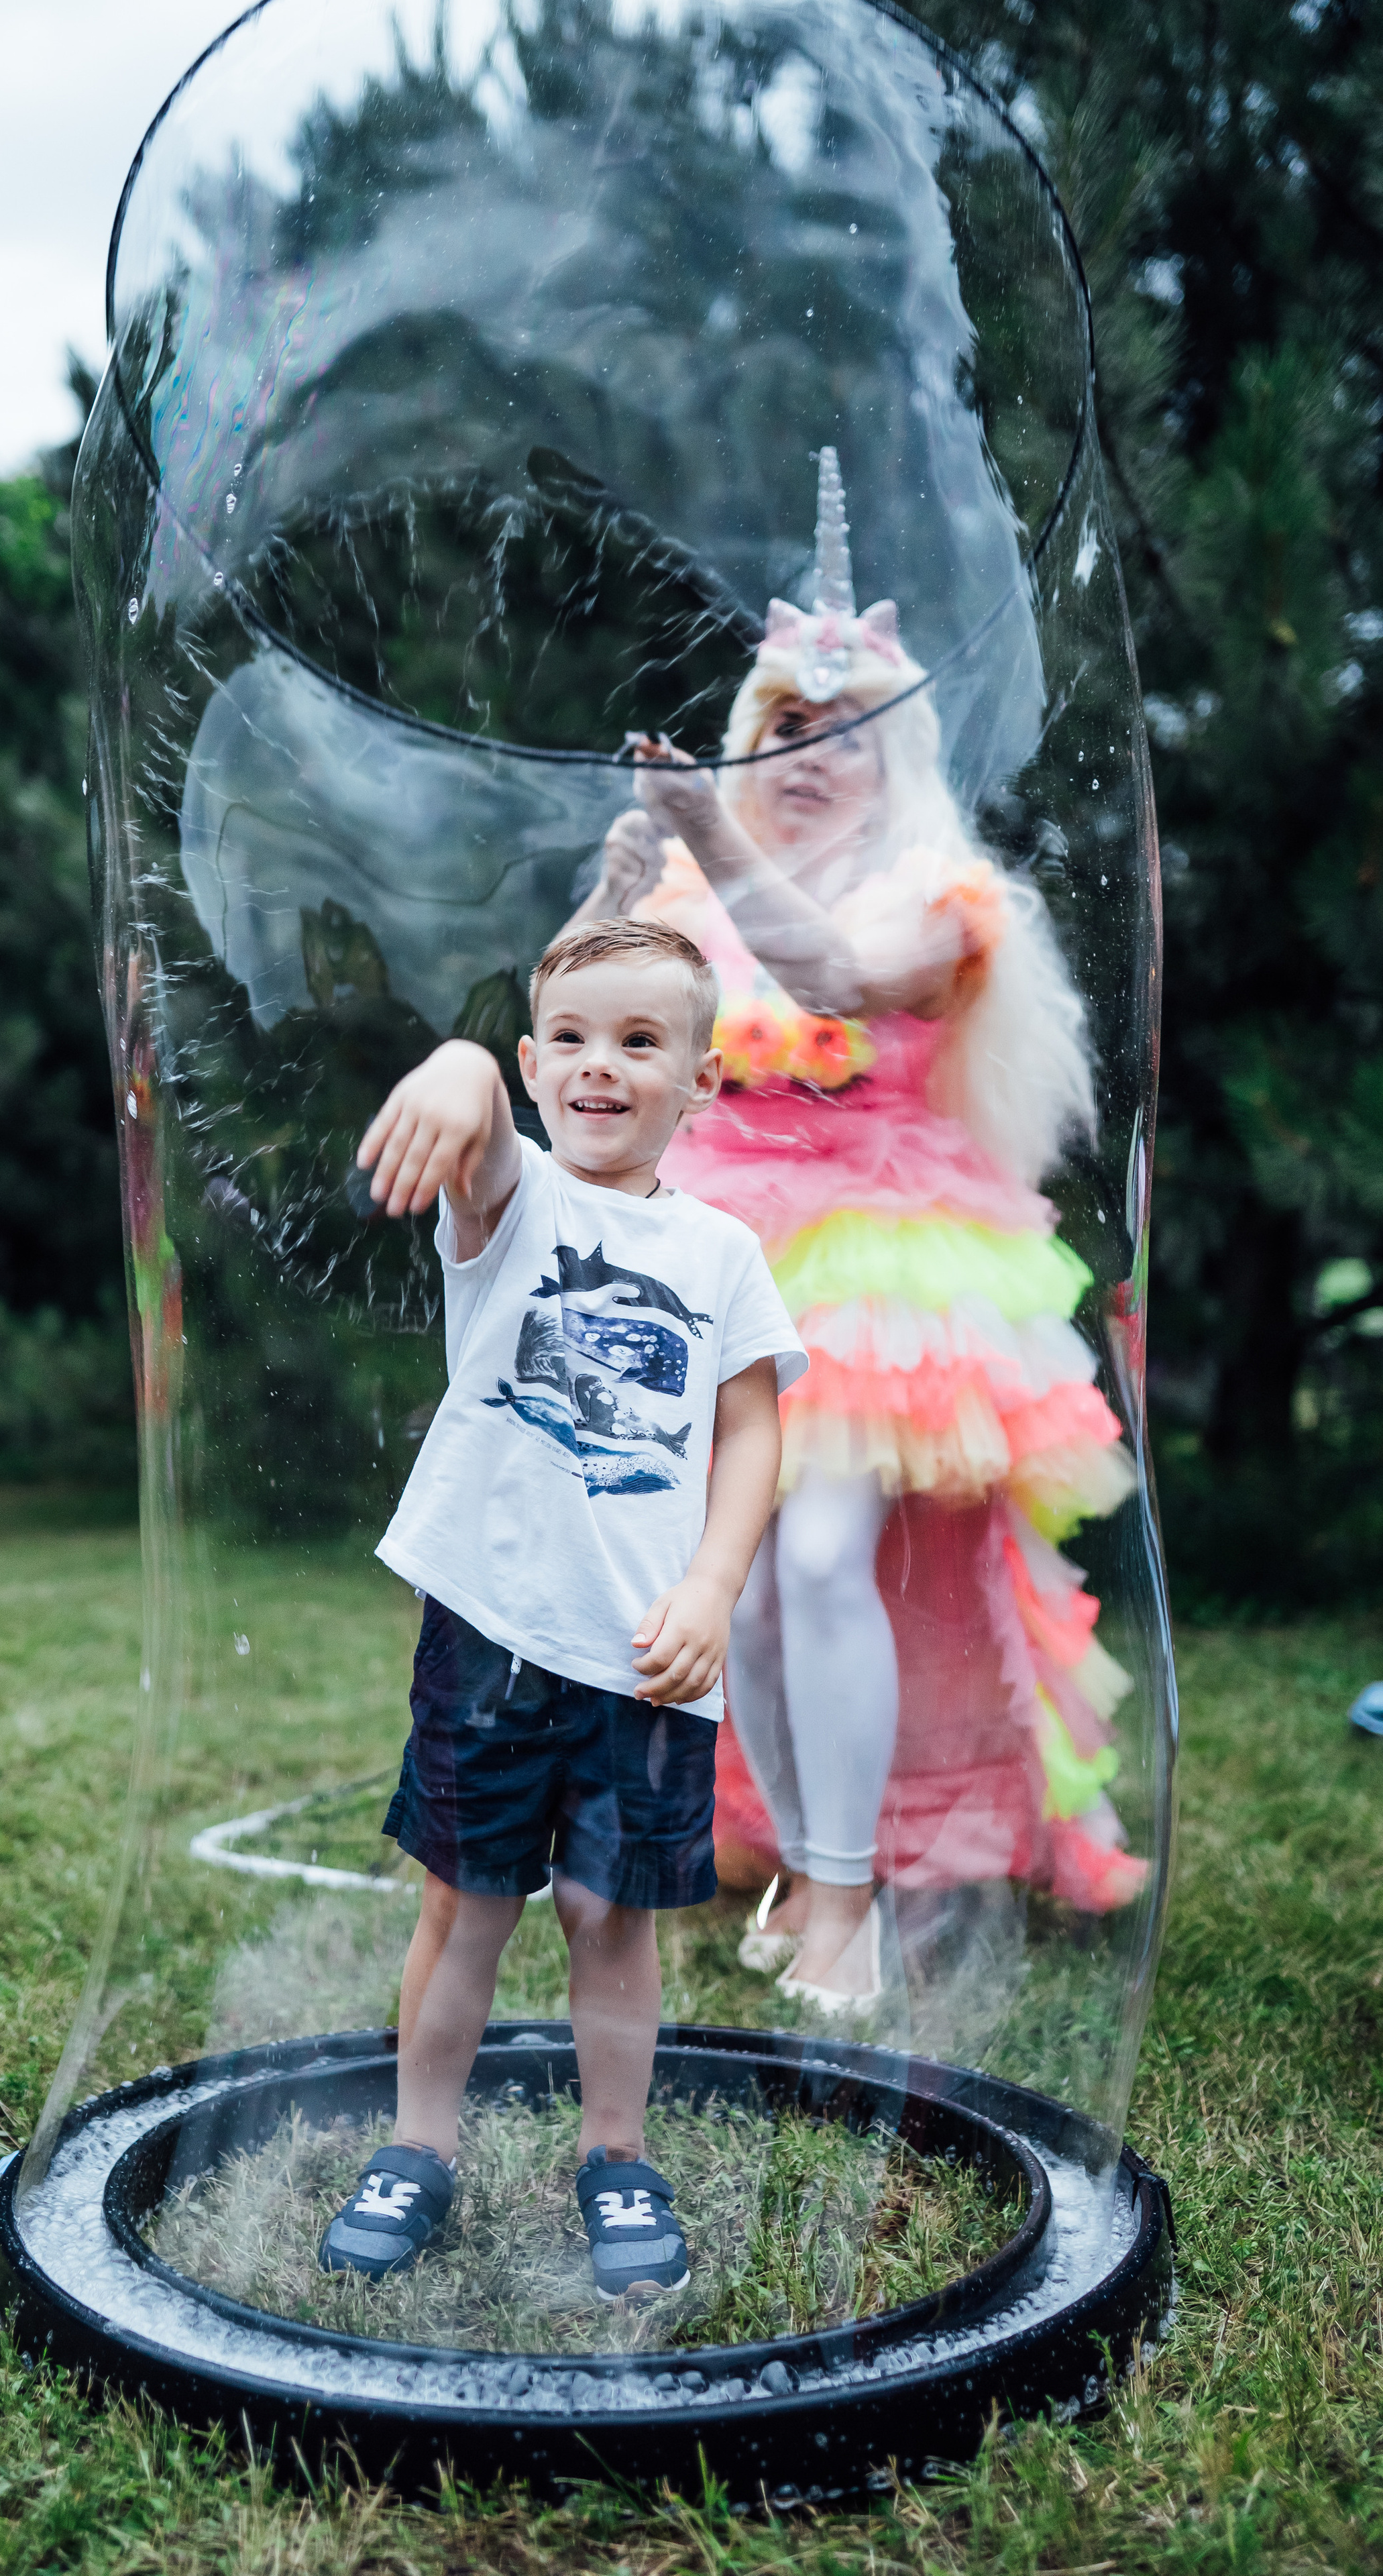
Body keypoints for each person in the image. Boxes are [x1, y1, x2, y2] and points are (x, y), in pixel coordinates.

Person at [565, 449, 1144, 2011]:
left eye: (841, 729)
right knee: (740, 1576)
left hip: (880, 1257)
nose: (808, 752)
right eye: (783, 728)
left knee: (816, 1551)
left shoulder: (942, 890)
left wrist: (707, 834)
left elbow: (825, 976)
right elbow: (576, 1023)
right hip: (715, 1242)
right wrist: (630, 868)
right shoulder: (693, 888)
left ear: (900, 752)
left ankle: (845, 1906)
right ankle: (803, 1862)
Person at [317, 915, 806, 2300]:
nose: (602, 1067)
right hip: (490, 1635)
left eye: (641, 1042)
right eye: (573, 1042)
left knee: (611, 1917)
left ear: (699, 1082)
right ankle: (417, 2146)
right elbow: (468, 1130)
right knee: (462, 1907)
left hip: (646, 1659)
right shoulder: (510, 1202)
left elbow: (754, 1433)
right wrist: (458, 1065)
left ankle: (613, 2153)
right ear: (536, 1069)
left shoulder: (720, 1254)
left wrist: (713, 1582)